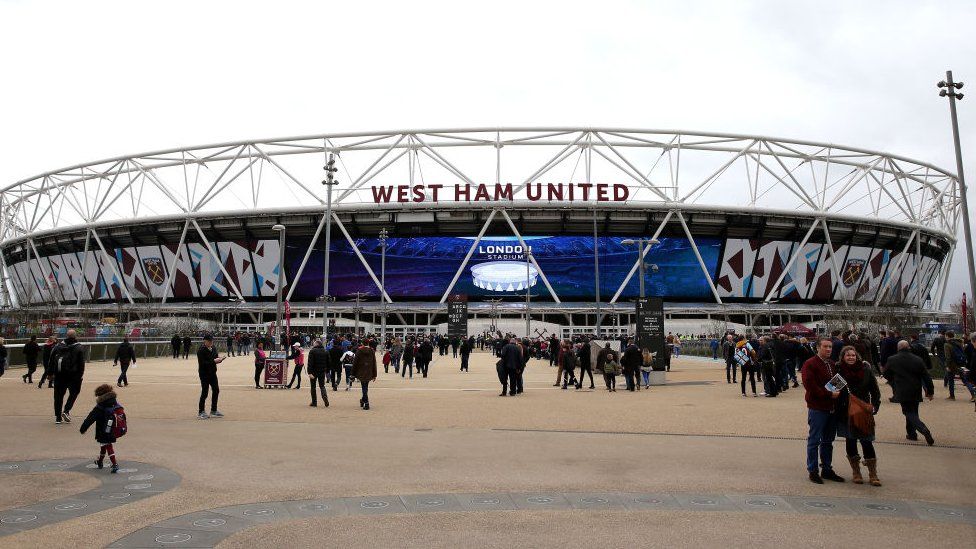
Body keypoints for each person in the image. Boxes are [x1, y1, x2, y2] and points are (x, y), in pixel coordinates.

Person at [834, 346, 882, 486]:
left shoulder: (866, 371)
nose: (850, 357)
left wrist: (875, 406)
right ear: (843, 357)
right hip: (845, 411)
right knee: (851, 440)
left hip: (863, 411)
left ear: (857, 357)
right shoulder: (839, 372)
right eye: (847, 355)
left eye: (853, 355)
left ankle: (873, 473)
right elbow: (831, 391)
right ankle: (856, 472)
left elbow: (875, 391)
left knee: (867, 442)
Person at [801, 337, 844, 484]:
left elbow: (837, 382)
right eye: (825, 347)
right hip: (818, 407)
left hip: (831, 407)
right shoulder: (810, 363)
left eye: (830, 347)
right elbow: (810, 385)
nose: (828, 349)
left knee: (828, 441)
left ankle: (827, 468)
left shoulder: (832, 364)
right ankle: (813, 470)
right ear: (818, 347)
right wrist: (828, 394)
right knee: (814, 440)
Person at [883, 340, 935, 445]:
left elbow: (886, 373)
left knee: (908, 412)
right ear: (909, 348)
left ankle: (923, 428)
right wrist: (930, 391)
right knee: (914, 411)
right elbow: (926, 376)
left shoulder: (892, 359)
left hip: (901, 389)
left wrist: (893, 382)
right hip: (915, 389)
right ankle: (911, 434)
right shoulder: (918, 360)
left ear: (898, 348)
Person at [79, 383, 123, 474]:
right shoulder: (115, 403)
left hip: (103, 430)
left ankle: (114, 464)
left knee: (108, 446)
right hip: (112, 429)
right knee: (104, 446)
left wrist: (83, 428)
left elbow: (90, 418)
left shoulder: (99, 407)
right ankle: (100, 461)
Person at [52, 329, 86, 425]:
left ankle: (58, 417)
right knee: (74, 393)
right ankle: (66, 410)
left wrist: (50, 373)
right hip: (73, 375)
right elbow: (81, 364)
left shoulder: (58, 346)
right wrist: (80, 375)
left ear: (66, 336)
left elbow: (52, 360)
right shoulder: (79, 347)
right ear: (75, 336)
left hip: (59, 375)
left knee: (58, 396)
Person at [196, 334, 225, 419]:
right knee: (205, 392)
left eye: (212, 341)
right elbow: (203, 363)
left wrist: (219, 360)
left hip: (212, 372)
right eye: (209, 341)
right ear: (204, 341)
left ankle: (214, 410)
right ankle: (201, 411)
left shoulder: (214, 348)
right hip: (204, 373)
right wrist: (214, 361)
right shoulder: (201, 350)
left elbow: (215, 358)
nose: (211, 342)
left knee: (216, 390)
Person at [943, 331, 976, 401]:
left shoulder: (947, 344)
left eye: (945, 336)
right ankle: (973, 394)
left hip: (952, 365)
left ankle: (952, 396)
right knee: (965, 380)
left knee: (951, 380)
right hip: (961, 363)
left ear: (947, 336)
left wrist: (947, 366)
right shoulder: (959, 342)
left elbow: (948, 357)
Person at [353, 343, 378, 410]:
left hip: (361, 371)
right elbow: (374, 362)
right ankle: (363, 400)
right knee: (365, 386)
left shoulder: (359, 351)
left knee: (364, 387)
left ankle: (366, 403)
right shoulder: (372, 351)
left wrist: (353, 373)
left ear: (362, 344)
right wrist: (374, 374)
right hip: (369, 371)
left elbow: (355, 362)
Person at [306, 339, 329, 407]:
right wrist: (327, 371)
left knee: (313, 387)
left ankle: (314, 402)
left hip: (313, 371)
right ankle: (325, 397)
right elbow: (328, 362)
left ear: (316, 344)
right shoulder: (325, 351)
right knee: (322, 386)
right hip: (322, 371)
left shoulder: (312, 351)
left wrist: (309, 372)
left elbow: (310, 363)